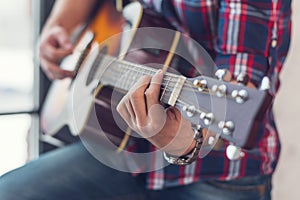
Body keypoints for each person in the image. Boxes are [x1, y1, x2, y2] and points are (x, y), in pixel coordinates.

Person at [0, 0, 291, 199]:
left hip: (214, 172)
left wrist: (176, 143)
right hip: (118, 147)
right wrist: (59, 24)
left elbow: (238, 83)